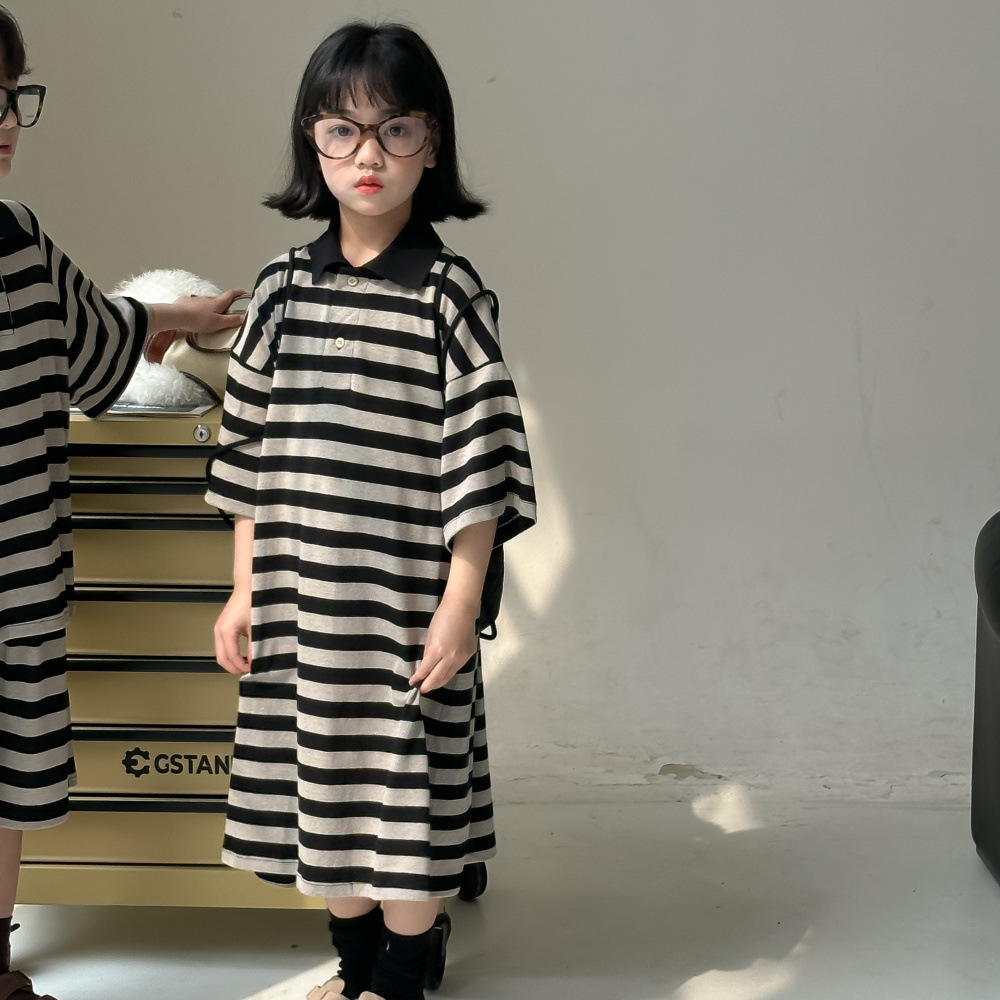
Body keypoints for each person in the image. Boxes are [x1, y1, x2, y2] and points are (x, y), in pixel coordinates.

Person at [207, 21, 535, 1000]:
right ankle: (354, 965)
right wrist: (244, 590)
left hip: (402, 610)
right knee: (325, 793)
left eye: (395, 130)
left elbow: (482, 465)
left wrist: (459, 605)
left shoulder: (449, 295)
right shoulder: (280, 290)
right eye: (342, 131)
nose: (368, 155)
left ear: (431, 143)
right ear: (311, 140)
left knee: (403, 798)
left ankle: (401, 973)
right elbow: (247, 455)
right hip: (303, 609)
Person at [0, 7, 243, 999]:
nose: (3, 121)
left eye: (9, 97)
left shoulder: (19, 238)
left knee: (9, 777)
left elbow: (99, 332)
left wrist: (186, 316)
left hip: (18, 579)